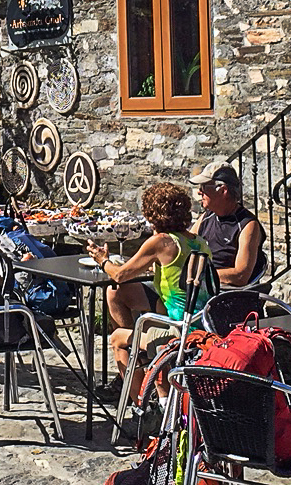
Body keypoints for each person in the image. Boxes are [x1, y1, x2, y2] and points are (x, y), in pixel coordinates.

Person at [87, 181, 213, 379]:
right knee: (119, 294)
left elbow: (120, 275)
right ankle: (147, 371)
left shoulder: (161, 242)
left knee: (117, 338)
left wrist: (102, 260)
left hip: (180, 327)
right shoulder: (198, 241)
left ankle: (139, 401)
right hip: (202, 320)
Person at [190, 161, 265, 287]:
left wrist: (200, 274)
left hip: (226, 293)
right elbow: (187, 243)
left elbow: (240, 275)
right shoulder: (207, 217)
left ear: (223, 190)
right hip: (202, 286)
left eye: (203, 187)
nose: (199, 192)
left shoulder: (247, 225)